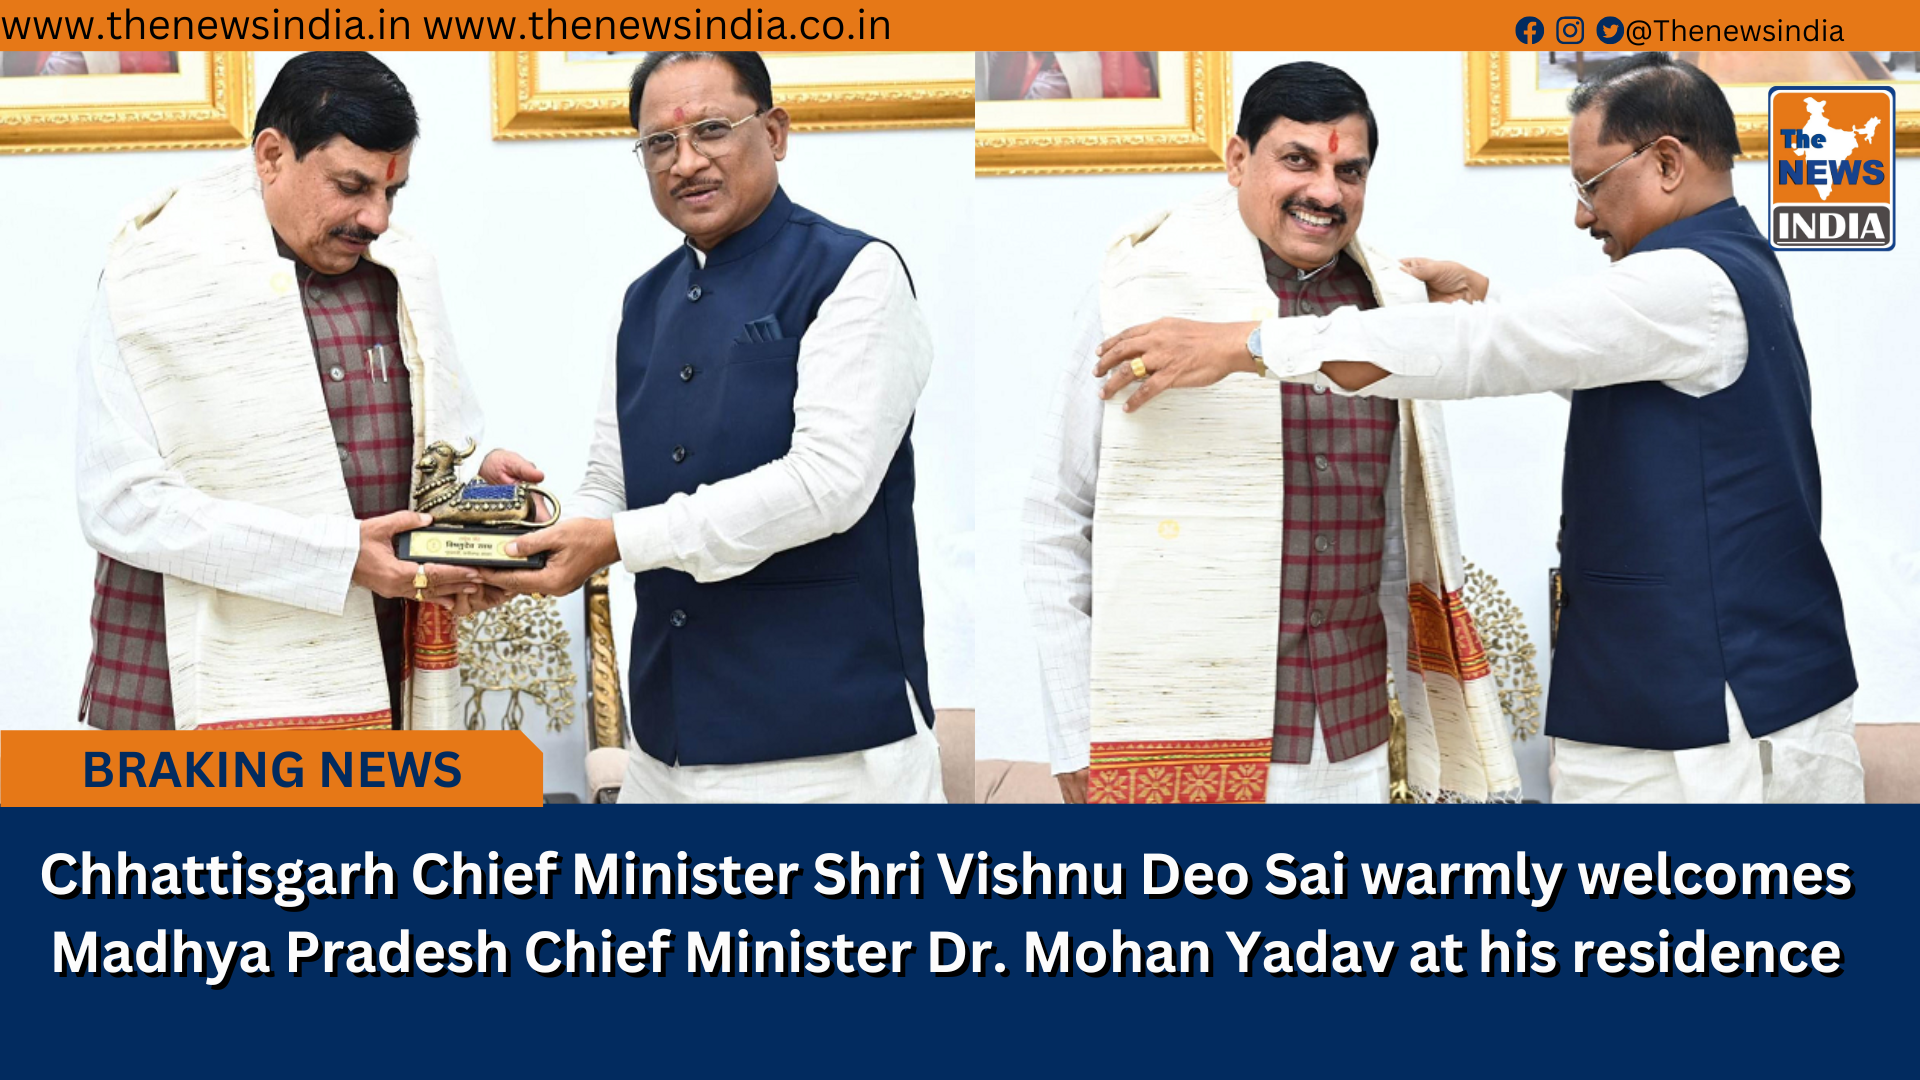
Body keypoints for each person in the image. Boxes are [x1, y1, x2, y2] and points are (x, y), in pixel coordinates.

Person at [1096, 53, 1861, 803]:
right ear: (1238, 161)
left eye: (1590, 185)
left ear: (1665, 163)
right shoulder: (1722, 271)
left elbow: (1485, 352)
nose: (1581, 214)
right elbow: (1574, 354)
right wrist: (1484, 306)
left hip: (1717, 712)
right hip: (1667, 694)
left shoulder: (1689, 280)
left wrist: (1248, 343)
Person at [1022, 62, 1518, 805]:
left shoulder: (1392, 308)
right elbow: (1056, 523)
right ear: (1235, 160)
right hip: (1177, 729)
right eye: (1299, 161)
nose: (1326, 192)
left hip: (1356, 740)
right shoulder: (1138, 295)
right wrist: (1072, 737)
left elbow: (1399, 538)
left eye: (1350, 171)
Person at [480, 51, 942, 803]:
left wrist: (618, 541)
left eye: (713, 131)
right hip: (664, 741)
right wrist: (530, 526)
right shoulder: (643, 302)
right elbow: (611, 480)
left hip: (824, 746)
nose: (685, 161)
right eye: (659, 144)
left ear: (777, 132)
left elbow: (828, 485)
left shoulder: (856, 272)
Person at [75, 51, 538, 732]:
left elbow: (421, 483)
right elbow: (120, 506)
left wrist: (479, 501)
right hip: (180, 688)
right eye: (351, 186)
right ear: (271, 156)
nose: (375, 218)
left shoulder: (401, 276)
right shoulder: (151, 281)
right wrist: (337, 557)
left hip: (368, 668)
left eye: (391, 192)